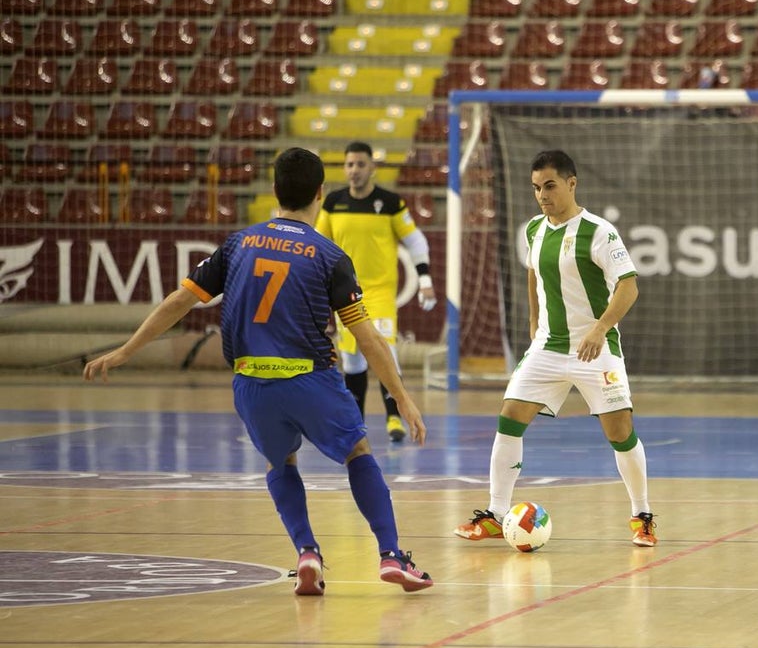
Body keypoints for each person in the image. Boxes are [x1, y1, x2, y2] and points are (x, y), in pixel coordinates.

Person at [83, 148, 434, 596]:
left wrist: (126, 351)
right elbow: (367, 338)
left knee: (280, 461)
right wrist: (401, 396)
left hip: (251, 383)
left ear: (274, 192)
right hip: (310, 379)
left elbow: (180, 300)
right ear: (320, 195)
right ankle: (390, 555)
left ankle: (307, 552)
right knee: (358, 452)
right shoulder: (329, 256)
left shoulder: (239, 243)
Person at [453, 149, 657, 547]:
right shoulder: (534, 230)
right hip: (548, 346)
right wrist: (533, 324)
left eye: (549, 186)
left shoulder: (599, 232)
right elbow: (534, 275)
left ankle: (642, 515)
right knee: (510, 416)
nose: (542, 195)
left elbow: (628, 287)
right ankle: (495, 514)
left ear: (571, 183)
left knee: (620, 432)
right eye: (535, 188)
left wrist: (600, 329)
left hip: (595, 349)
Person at [318, 141, 437, 444]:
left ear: (372, 167)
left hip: (381, 293)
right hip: (345, 292)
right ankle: (356, 423)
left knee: (386, 352)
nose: (354, 170)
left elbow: (415, 241)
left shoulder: (390, 203)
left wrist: (424, 278)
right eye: (349, 164)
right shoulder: (333, 203)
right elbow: (319, 245)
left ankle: (393, 416)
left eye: (360, 164)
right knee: (353, 360)